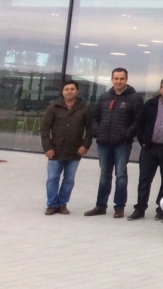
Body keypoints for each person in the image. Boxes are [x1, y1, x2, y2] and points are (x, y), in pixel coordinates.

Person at [86, 67, 144, 218]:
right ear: (112, 79)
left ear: (126, 79)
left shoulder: (134, 98)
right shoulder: (104, 96)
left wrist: (127, 134)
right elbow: (94, 117)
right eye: (116, 78)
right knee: (104, 174)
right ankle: (100, 206)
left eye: (122, 78)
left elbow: (139, 121)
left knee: (121, 175)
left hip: (122, 144)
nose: (118, 81)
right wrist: (97, 131)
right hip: (103, 142)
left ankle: (119, 207)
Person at [130, 77, 163, 221]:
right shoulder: (150, 104)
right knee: (144, 180)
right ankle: (140, 209)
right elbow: (140, 124)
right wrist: (143, 142)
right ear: (160, 89)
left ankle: (162, 209)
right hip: (149, 148)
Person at [41, 79, 92, 215]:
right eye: (66, 89)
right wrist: (47, 148)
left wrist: (85, 146)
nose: (69, 91)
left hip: (75, 150)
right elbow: (45, 128)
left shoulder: (84, 108)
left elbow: (90, 129)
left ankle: (62, 204)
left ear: (77, 91)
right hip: (55, 150)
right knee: (52, 178)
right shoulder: (54, 107)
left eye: (72, 89)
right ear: (62, 92)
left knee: (69, 179)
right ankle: (52, 205)